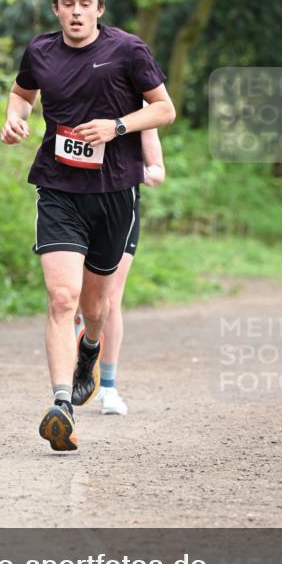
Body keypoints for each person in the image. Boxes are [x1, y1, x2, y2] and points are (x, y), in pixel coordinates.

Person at [0, 0, 175, 452]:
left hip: (115, 192)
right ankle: (61, 405)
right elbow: (21, 94)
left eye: (85, 4)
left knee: (95, 308)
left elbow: (165, 109)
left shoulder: (127, 50)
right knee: (61, 299)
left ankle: (90, 349)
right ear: (56, 9)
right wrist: (14, 121)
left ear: (99, 9)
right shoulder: (40, 51)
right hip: (57, 189)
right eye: (67, 4)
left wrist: (117, 127)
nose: (76, 12)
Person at [75, 128, 166, 416]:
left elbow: (158, 168)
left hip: (120, 207)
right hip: (73, 202)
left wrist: (150, 172)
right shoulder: (73, 93)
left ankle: (108, 387)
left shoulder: (136, 106)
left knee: (110, 298)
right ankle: (71, 379)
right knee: (73, 296)